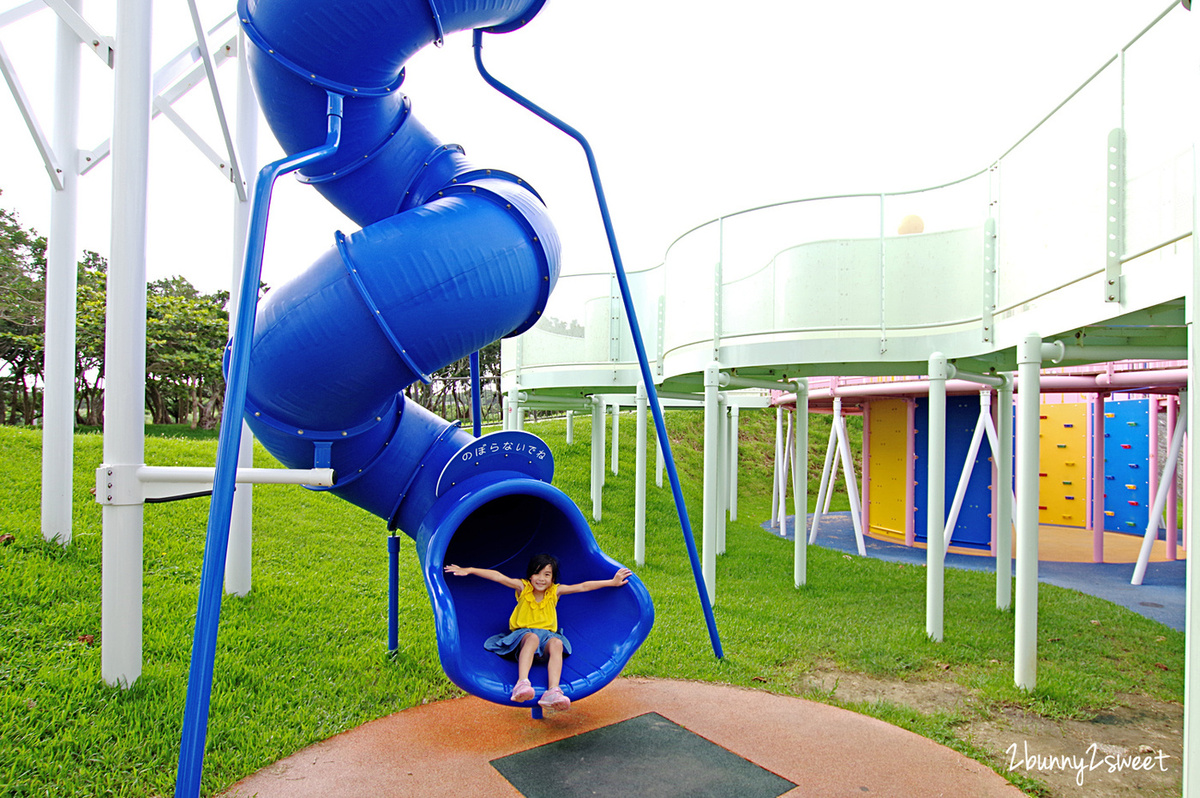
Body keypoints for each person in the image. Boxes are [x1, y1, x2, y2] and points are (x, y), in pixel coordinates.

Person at [444, 553, 632, 711]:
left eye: (547, 574)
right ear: (530, 575)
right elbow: (498, 576)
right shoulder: (523, 588)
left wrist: (612, 582)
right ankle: (522, 683)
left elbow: (583, 586)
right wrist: (469, 570)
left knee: (557, 643)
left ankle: (553, 691)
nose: (541, 579)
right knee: (532, 637)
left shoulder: (555, 592)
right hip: (523, 636)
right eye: (537, 573)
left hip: (547, 638)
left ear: (552, 578)